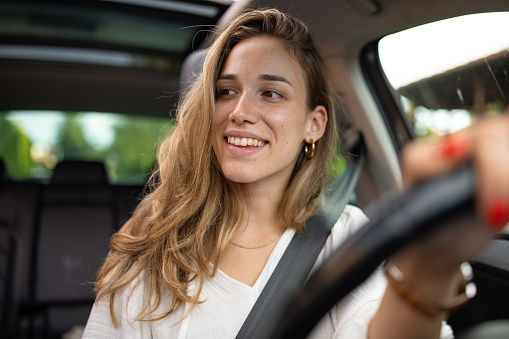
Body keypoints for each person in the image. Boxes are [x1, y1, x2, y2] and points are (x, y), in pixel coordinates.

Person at [83, 8, 507, 338]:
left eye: (271, 93)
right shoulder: (149, 246)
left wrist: (428, 267)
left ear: (314, 124)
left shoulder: (348, 234)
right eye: (226, 91)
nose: (240, 112)